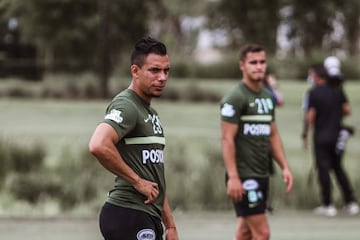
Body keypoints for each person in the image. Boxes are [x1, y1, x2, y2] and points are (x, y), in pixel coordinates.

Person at [89, 36, 178, 240]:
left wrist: (170, 225)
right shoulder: (126, 105)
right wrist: (137, 181)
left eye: (166, 71)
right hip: (128, 212)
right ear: (135, 71)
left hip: (146, 215)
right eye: (154, 70)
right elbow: (98, 145)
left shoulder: (151, 113)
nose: (162, 77)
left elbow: (155, 177)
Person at [220, 44, 293, 240]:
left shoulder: (268, 98)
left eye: (262, 62)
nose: (259, 66)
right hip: (244, 177)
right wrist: (234, 177)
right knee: (262, 233)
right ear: (242, 65)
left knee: (245, 233)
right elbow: (227, 139)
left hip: (262, 173)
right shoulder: (235, 97)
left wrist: (284, 166)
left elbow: (273, 135)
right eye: (253, 62)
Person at [302, 63, 359, 217]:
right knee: (339, 168)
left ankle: (328, 204)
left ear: (315, 76)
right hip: (337, 136)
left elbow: (310, 117)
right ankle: (350, 202)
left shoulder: (313, 93)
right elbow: (347, 110)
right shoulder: (337, 91)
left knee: (323, 170)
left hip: (321, 137)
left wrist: (305, 134)